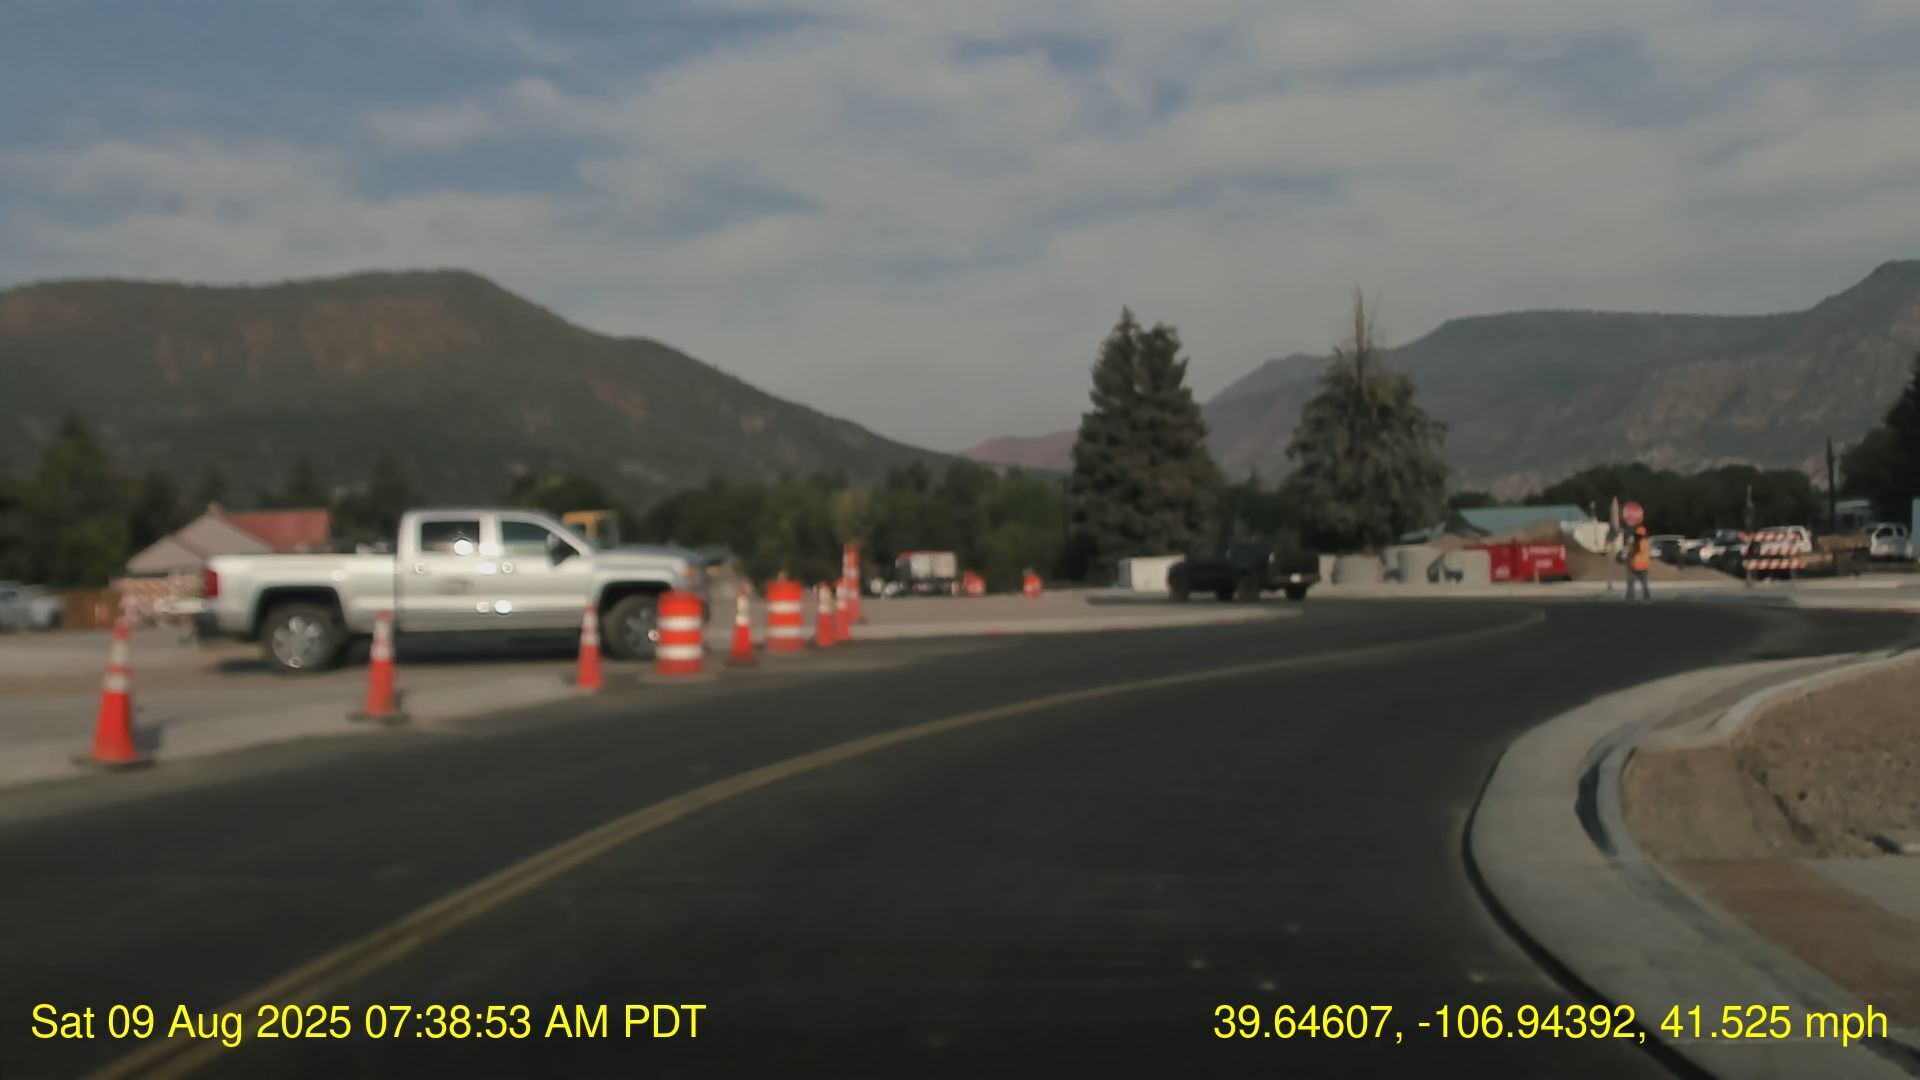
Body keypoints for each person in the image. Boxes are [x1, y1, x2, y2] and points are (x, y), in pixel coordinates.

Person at [1626, 525, 1653, 602]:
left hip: (1638, 567)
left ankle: (1631, 598)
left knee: (1633, 583)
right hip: (1640, 567)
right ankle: (1644, 598)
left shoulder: (1640, 543)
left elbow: (1635, 551)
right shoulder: (1645, 542)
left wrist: (1631, 545)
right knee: (1638, 584)